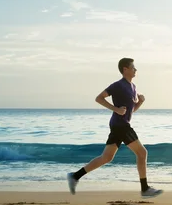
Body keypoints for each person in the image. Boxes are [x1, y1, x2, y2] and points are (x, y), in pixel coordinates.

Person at [67, 58, 163, 197]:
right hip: (121, 125)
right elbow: (99, 98)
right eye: (133, 67)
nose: (135, 70)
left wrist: (140, 102)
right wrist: (115, 109)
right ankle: (145, 188)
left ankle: (75, 176)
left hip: (119, 124)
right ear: (125, 69)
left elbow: (131, 110)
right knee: (142, 153)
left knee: (106, 157)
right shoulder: (118, 85)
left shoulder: (133, 87)